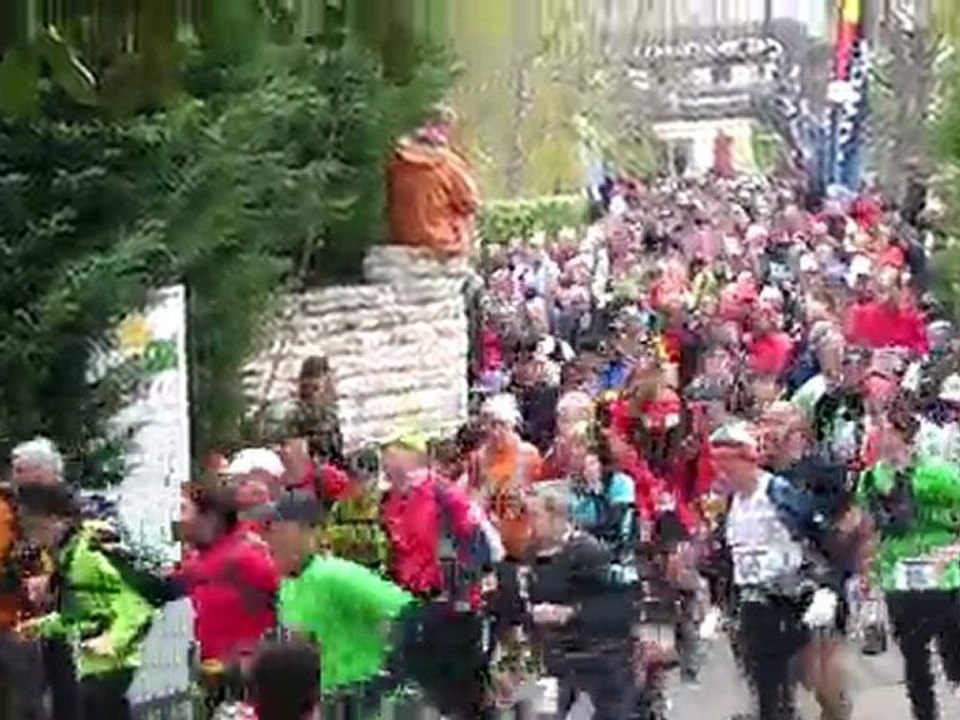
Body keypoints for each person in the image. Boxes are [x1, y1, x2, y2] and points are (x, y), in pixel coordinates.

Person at [712, 421, 841, 720]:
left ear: (746, 461)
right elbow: (728, 556)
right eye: (719, 467)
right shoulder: (730, 502)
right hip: (754, 605)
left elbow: (821, 539)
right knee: (767, 691)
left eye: (728, 466)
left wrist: (827, 587)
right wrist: (722, 603)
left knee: (812, 684)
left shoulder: (778, 493)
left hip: (792, 601)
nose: (723, 474)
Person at [264, 490, 414, 712]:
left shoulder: (336, 575)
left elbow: (408, 610)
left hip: (360, 702)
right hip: (320, 705)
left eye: (281, 529)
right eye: (270, 529)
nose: (271, 538)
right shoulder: (287, 585)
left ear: (311, 532)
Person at [16, 482, 155, 720]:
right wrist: (40, 627)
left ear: (57, 521)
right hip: (92, 661)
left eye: (34, 527)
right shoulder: (68, 553)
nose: (30, 537)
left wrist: (112, 640)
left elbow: (137, 599)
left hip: (110, 662)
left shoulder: (87, 553)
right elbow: (81, 613)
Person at [857, 404, 960, 720]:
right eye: (880, 431)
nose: (885, 439)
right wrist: (868, 574)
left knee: (954, 655)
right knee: (914, 658)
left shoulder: (939, 474)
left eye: (891, 432)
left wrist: (955, 550)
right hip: (899, 579)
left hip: (944, 578)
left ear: (907, 437)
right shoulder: (871, 480)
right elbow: (869, 529)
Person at [173, 484, 280, 714]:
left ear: (210, 519)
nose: (180, 519)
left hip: (240, 682)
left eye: (185, 510)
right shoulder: (199, 557)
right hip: (208, 678)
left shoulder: (246, 556)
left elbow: (282, 596)